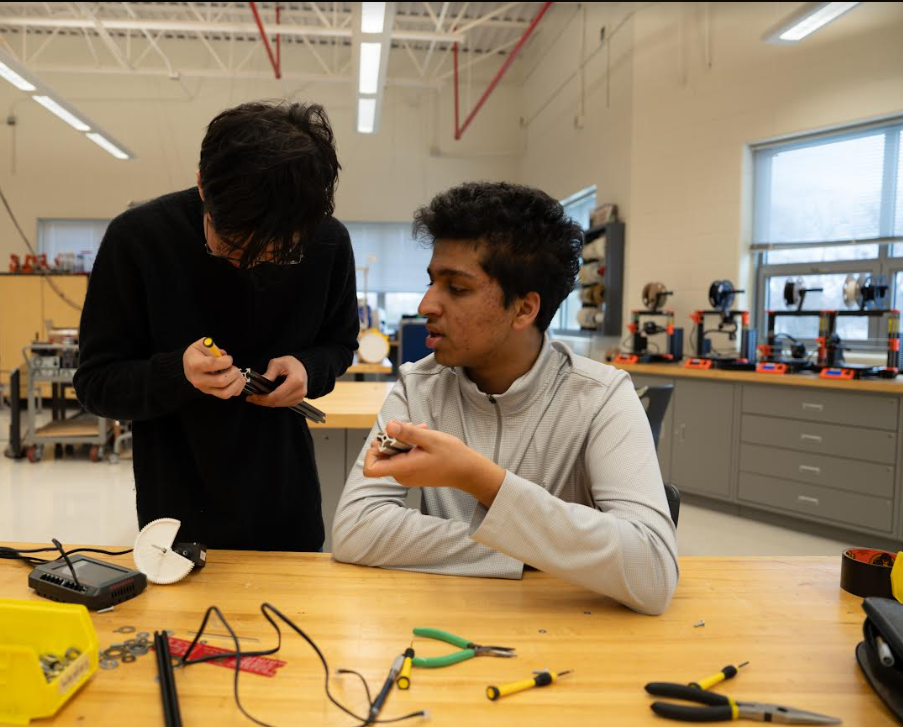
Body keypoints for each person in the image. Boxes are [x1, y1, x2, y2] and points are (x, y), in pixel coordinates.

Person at [331, 182, 678, 614]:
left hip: (568, 644)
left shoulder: (601, 398)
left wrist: (480, 480)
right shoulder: (418, 386)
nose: (426, 304)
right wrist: (546, 553)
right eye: (432, 282)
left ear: (524, 309)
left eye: (456, 288)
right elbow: (356, 530)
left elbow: (653, 569)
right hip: (445, 627)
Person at [74, 101, 358, 551]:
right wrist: (177, 373)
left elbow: (340, 345)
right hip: (176, 512)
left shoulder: (328, 242)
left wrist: (308, 370)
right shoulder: (139, 239)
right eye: (232, 246)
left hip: (287, 502)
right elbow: (95, 383)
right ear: (202, 184)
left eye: (280, 252)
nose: (254, 265)